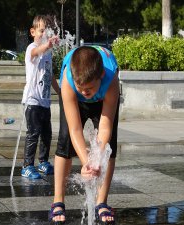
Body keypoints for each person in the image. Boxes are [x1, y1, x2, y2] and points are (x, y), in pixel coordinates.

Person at [49, 45, 120, 224]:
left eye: (88, 89)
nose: (84, 93)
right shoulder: (68, 80)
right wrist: (87, 163)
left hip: (103, 98)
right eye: (81, 88)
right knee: (65, 142)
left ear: (101, 76)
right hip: (72, 98)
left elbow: (105, 126)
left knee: (109, 147)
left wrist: (97, 159)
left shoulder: (111, 80)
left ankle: (101, 202)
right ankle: (58, 201)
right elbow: (75, 129)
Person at [21, 15, 60, 179]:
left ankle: (43, 161)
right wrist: (47, 45)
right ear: (32, 32)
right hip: (32, 100)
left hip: (44, 101)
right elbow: (36, 52)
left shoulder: (48, 54)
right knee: (33, 133)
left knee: (46, 133)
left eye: (47, 31)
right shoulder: (32, 48)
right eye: (41, 31)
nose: (44, 34)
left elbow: (50, 75)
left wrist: (60, 92)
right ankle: (27, 166)